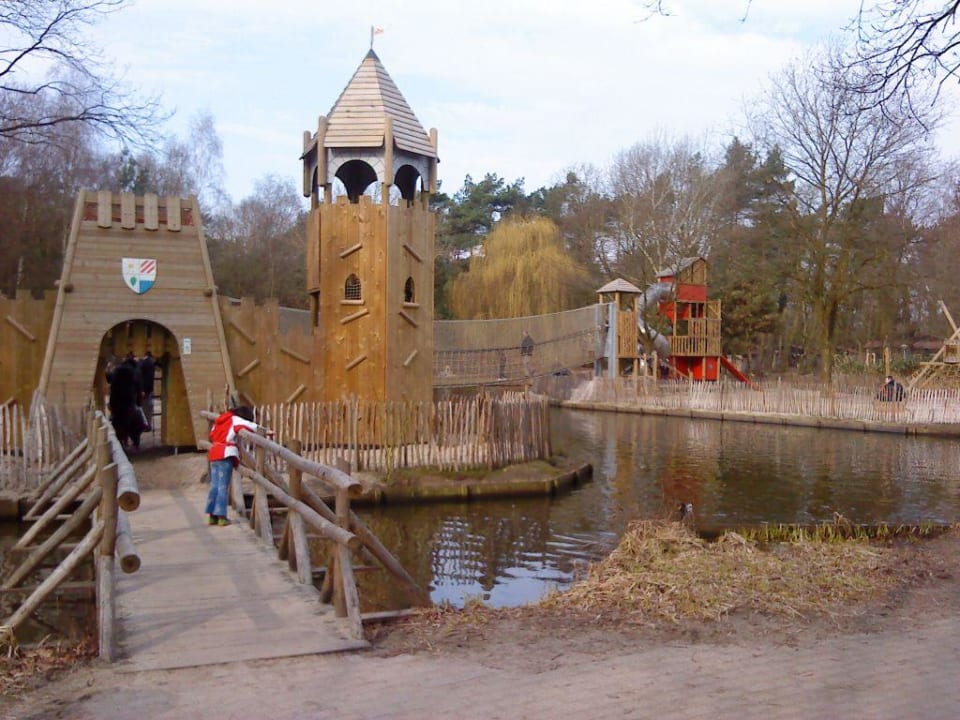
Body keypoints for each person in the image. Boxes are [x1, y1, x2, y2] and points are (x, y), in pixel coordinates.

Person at [205, 405, 259, 526]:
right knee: (223, 486)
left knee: (214, 485)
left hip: (214, 453)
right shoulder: (235, 419)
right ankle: (221, 516)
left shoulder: (219, 420)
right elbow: (250, 426)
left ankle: (212, 515)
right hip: (225, 454)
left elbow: (212, 434)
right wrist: (266, 431)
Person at [138, 351, 157, 431]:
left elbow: (144, 378)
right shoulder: (150, 362)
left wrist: (142, 390)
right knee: (148, 407)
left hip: (145, 390)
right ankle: (147, 424)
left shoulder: (144, 363)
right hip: (148, 389)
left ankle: (146, 425)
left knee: (145, 408)